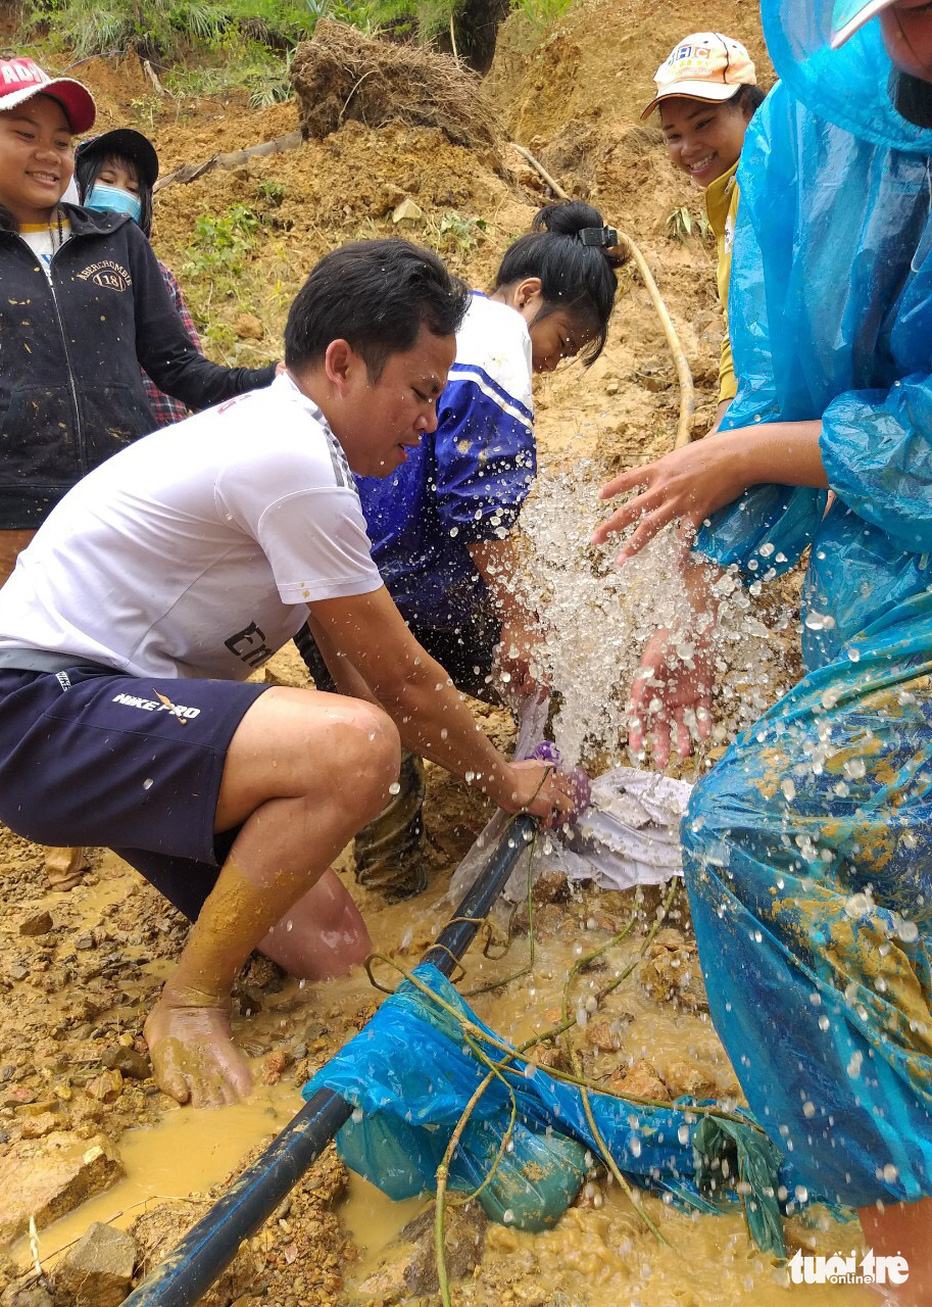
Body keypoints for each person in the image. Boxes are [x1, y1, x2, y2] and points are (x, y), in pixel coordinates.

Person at [0, 238, 571, 1110]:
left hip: (115, 714)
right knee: (358, 746)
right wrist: (502, 779)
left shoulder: (300, 448)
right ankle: (188, 999)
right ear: (340, 364)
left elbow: (358, 661)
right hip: (40, 715)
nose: (430, 420)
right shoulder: (291, 457)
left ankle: (213, 944)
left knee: (333, 943)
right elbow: (400, 688)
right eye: (422, 391)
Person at [593, 0, 932, 1297]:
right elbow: (784, 381)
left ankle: (901, 1256)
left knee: (757, 832)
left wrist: (744, 457)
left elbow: (794, 436)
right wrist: (695, 589)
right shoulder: (812, 132)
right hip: (872, 582)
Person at [0, 59, 276, 889]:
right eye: (24, 133)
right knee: (50, 675)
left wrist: (280, 382)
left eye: (63, 139)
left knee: (145, 660)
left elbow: (178, 367)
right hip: (26, 496)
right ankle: (75, 812)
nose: (51, 153)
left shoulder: (116, 241)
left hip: (134, 489)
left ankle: (179, 803)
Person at [296, 202, 623, 900]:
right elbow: (480, 501)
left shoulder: (442, 332)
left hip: (336, 581)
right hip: (413, 589)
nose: (556, 363)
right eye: (564, 342)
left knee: (375, 752)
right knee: (544, 675)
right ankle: (544, 816)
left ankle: (392, 899)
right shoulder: (499, 338)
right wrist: (524, 618)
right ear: (529, 295)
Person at [643, 33, 764, 431]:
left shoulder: (766, 185)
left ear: (746, 108)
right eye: (673, 135)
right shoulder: (729, 193)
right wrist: (725, 419)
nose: (688, 147)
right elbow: (740, 320)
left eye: (703, 123)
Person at [75, 127, 204, 427]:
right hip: (99, 440)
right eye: (107, 181)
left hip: (163, 436)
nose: (120, 194)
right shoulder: (56, 271)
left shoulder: (160, 276)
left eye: (132, 189)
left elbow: (190, 367)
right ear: (77, 188)